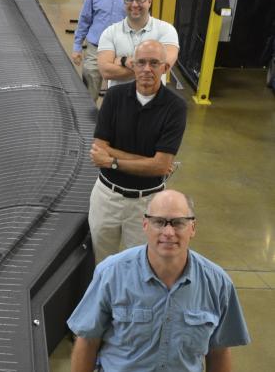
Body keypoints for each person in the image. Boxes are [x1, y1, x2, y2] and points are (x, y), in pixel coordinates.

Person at [68, 189, 250, 372]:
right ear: (145, 225)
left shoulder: (218, 284)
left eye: (178, 223)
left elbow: (219, 351)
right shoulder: (111, 274)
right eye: (159, 222)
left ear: (192, 228)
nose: (168, 232)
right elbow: (87, 342)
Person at [89, 40, 187, 263]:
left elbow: (160, 167)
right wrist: (150, 162)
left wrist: (112, 160)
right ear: (133, 65)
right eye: (141, 62)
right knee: (101, 265)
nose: (146, 69)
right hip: (107, 199)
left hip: (148, 204)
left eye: (154, 63)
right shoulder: (114, 97)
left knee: (143, 267)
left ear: (165, 68)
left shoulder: (176, 108)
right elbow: (99, 149)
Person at [72, 0, 131, 102]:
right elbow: (84, 20)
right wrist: (77, 47)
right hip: (95, 49)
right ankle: (87, 124)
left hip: (122, 51)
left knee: (119, 94)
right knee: (89, 90)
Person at [97, 0, 180, 89]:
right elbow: (106, 72)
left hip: (154, 102)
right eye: (130, 0)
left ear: (149, 1)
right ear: (124, 3)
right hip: (119, 101)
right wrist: (151, 67)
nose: (135, 4)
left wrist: (121, 61)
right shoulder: (110, 32)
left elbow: (165, 66)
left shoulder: (166, 30)